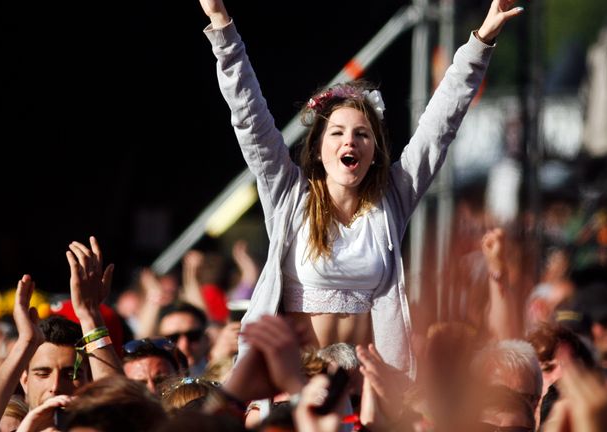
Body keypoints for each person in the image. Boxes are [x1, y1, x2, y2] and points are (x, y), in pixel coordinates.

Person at [197, 0, 524, 373]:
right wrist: (222, 25)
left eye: (362, 134)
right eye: (337, 133)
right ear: (319, 150)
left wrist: (480, 42)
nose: (349, 142)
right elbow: (249, 117)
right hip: (296, 384)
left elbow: (440, 125)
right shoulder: (288, 194)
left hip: (365, 386)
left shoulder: (392, 199)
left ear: (375, 150)